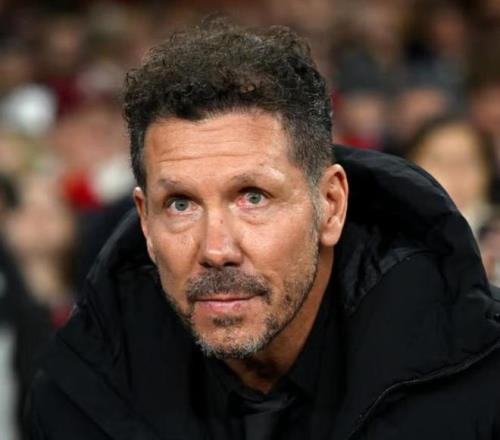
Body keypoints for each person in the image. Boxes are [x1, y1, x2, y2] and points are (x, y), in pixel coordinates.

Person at [30, 20, 500, 440]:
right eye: (181, 204)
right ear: (146, 222)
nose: (216, 249)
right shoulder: (81, 398)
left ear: (331, 205)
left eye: (253, 197)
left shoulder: (479, 380)